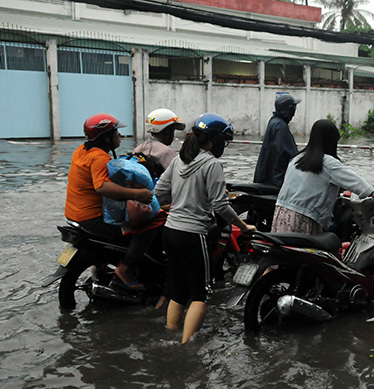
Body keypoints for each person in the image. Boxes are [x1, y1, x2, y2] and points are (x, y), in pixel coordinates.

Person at [154, 113, 256, 344]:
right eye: (224, 141)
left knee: (179, 290)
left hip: (170, 232)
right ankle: (186, 348)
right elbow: (221, 205)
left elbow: (159, 193)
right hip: (192, 235)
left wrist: (180, 202)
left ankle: (170, 336)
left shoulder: (179, 160)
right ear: (213, 140)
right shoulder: (212, 164)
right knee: (201, 294)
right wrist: (243, 224)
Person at [65, 113, 156, 291]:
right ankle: (127, 269)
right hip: (93, 219)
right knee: (148, 225)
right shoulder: (100, 158)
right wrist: (138, 194)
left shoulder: (82, 151)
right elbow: (102, 188)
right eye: (116, 133)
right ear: (106, 137)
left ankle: (100, 263)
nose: (119, 136)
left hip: (75, 215)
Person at [272, 119, 374, 235]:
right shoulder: (329, 163)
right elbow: (356, 182)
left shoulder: (296, 159)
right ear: (332, 141)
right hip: (304, 218)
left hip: (280, 214)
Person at [253, 94, 300, 188]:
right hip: (275, 183)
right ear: (290, 110)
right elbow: (280, 154)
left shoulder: (275, 122)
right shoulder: (281, 127)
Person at [133, 108, 186, 178]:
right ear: (166, 130)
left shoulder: (138, 149)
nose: (173, 135)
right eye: (172, 130)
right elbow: (177, 177)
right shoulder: (166, 152)